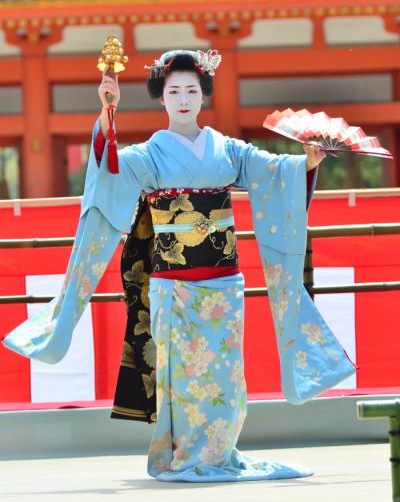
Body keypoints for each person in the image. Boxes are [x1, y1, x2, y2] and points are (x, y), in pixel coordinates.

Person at [1, 49, 356, 483]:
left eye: (191, 90)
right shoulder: (149, 156)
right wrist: (106, 111)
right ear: (161, 98)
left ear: (202, 95)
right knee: (180, 379)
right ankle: (179, 456)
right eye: (174, 91)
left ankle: (221, 452)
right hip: (173, 283)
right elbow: (108, 168)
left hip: (225, 281)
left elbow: (275, 172)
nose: (183, 98)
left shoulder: (228, 149)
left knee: (226, 377)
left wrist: (308, 161)